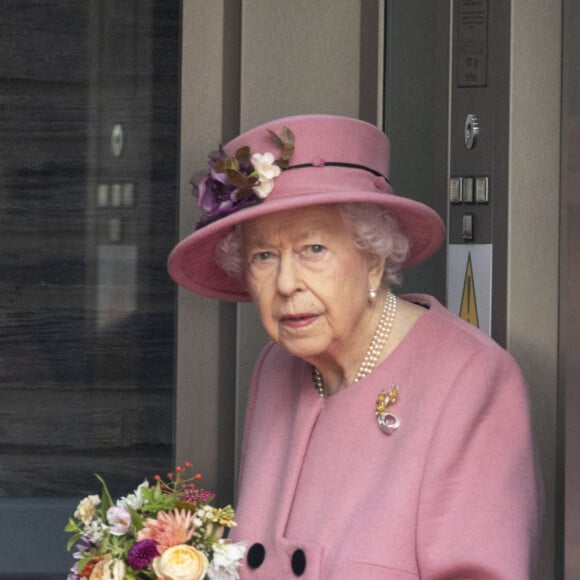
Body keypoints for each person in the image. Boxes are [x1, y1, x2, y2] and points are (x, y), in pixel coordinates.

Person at [168, 115, 541, 579]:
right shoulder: (277, 366)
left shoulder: (469, 380)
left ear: (373, 257)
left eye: (314, 249)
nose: (286, 284)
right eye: (264, 256)